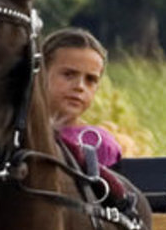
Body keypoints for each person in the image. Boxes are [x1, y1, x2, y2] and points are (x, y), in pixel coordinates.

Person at [41, 27, 123, 172]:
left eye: (90, 79)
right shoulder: (14, 136)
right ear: (40, 74)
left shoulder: (99, 144)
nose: (80, 87)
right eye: (68, 74)